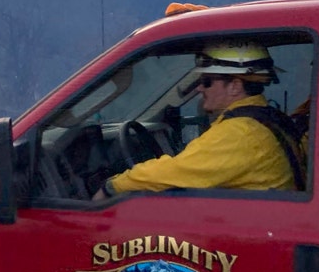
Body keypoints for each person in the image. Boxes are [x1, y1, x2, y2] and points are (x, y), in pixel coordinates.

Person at [92, 42, 302, 201]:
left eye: (206, 81)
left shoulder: (240, 133)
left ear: (235, 86)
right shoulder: (265, 119)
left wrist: (111, 187)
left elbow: (175, 171)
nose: (200, 89)